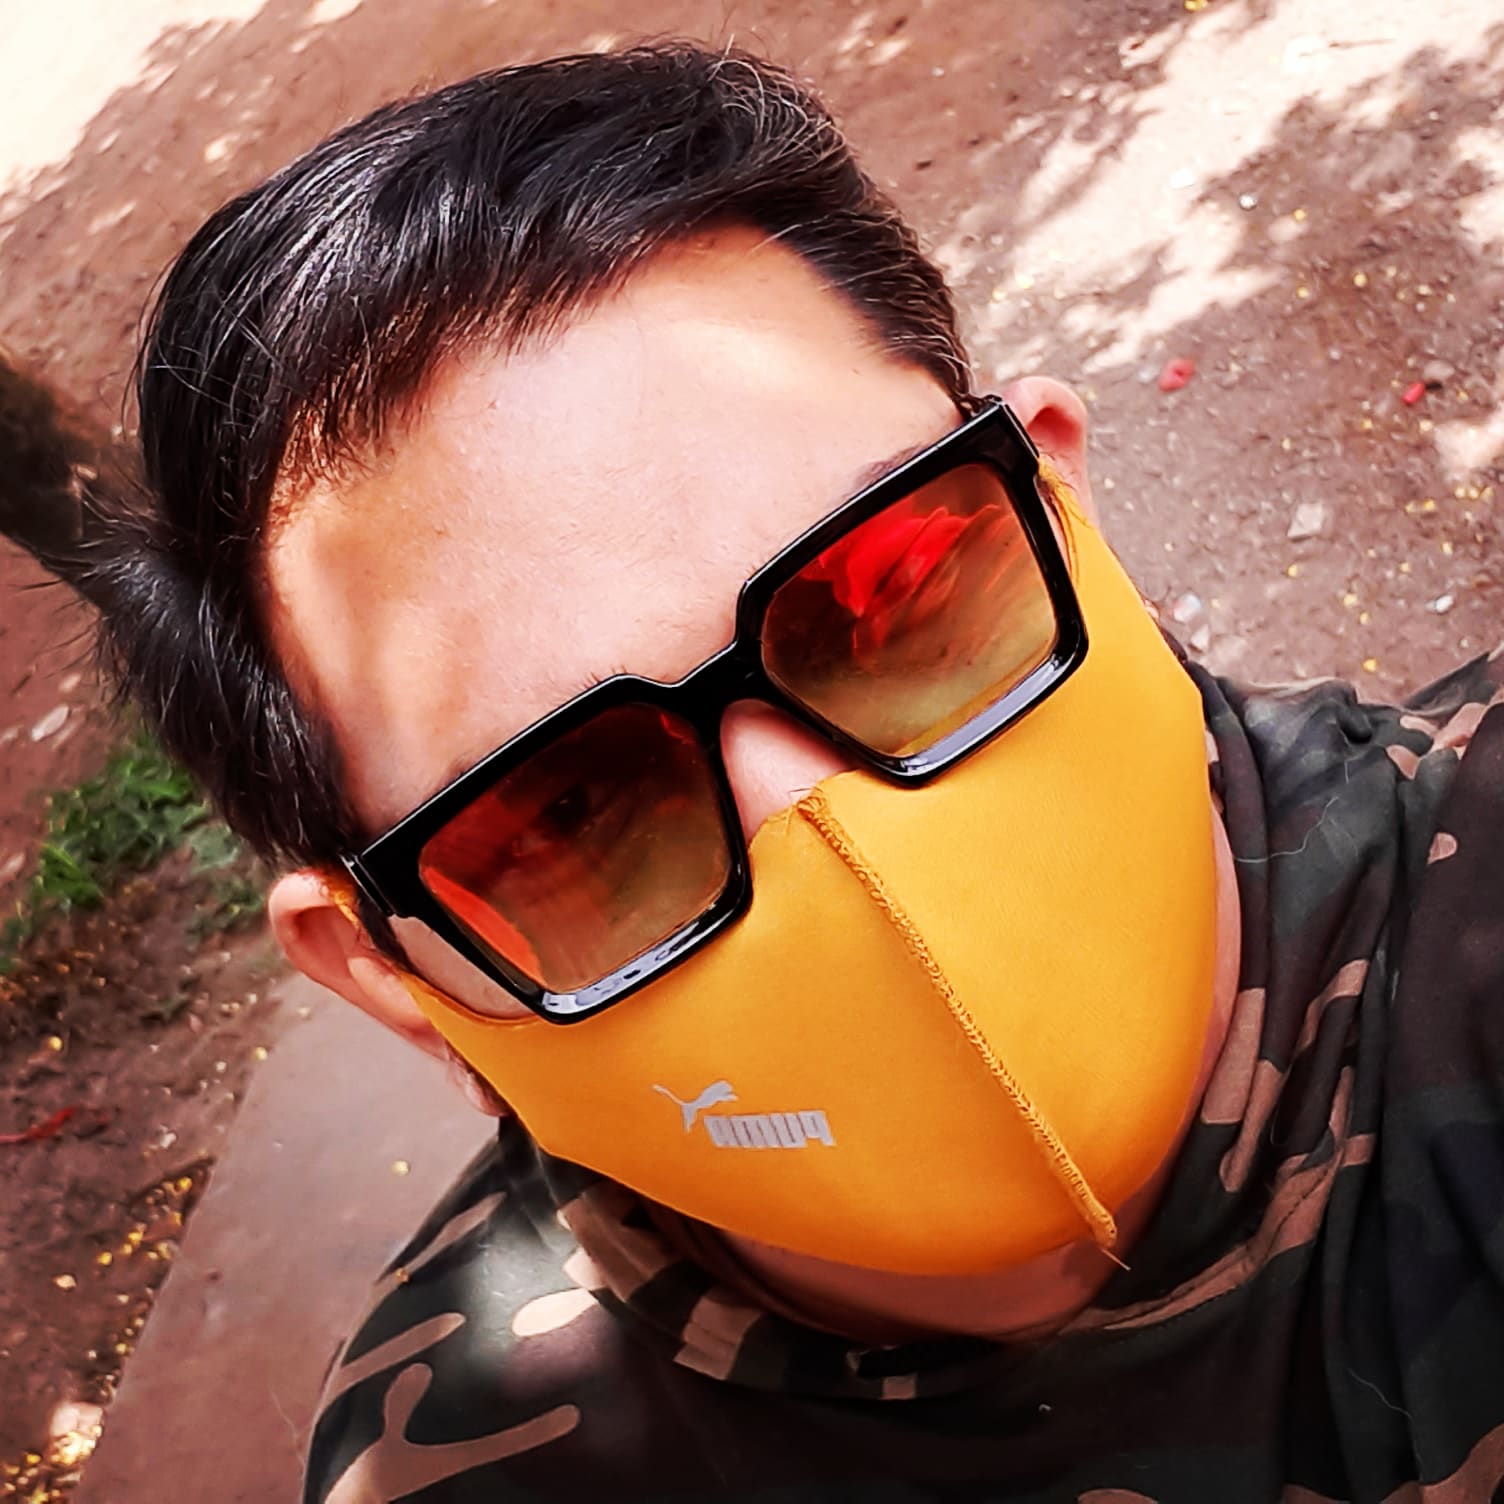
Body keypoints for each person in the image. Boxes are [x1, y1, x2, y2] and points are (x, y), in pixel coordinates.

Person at [88, 43, 1503, 1504]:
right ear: (389, 976)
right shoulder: (454, 1465)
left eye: (887, 595)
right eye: (567, 807)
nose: (814, 820)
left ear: (1055, 498)